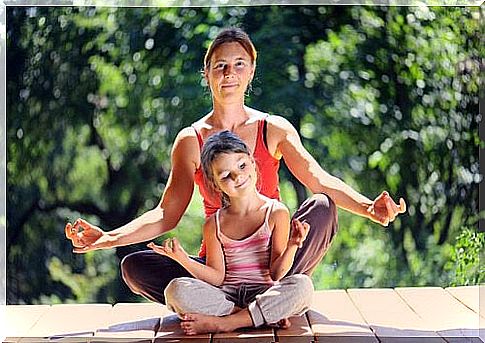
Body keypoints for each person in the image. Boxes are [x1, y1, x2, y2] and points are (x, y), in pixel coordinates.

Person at [65, 27, 406, 305]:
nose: (229, 73)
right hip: (218, 269)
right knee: (135, 266)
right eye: (220, 66)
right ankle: (234, 302)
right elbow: (167, 213)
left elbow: (318, 179)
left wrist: (367, 207)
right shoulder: (190, 140)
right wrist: (107, 238)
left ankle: (272, 292)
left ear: (251, 71)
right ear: (207, 74)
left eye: (239, 64)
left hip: (274, 260)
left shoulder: (273, 129)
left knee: (321, 207)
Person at [147, 130, 313, 335]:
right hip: (227, 298)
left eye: (242, 165)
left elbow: (276, 273)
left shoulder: (276, 212)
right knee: (175, 290)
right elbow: (217, 278)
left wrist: (293, 244)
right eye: (225, 175)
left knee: (303, 286)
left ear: (253, 162)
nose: (237, 176)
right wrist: (182, 259)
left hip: (265, 292)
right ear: (216, 183)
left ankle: (227, 322)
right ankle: (251, 316)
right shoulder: (213, 224)